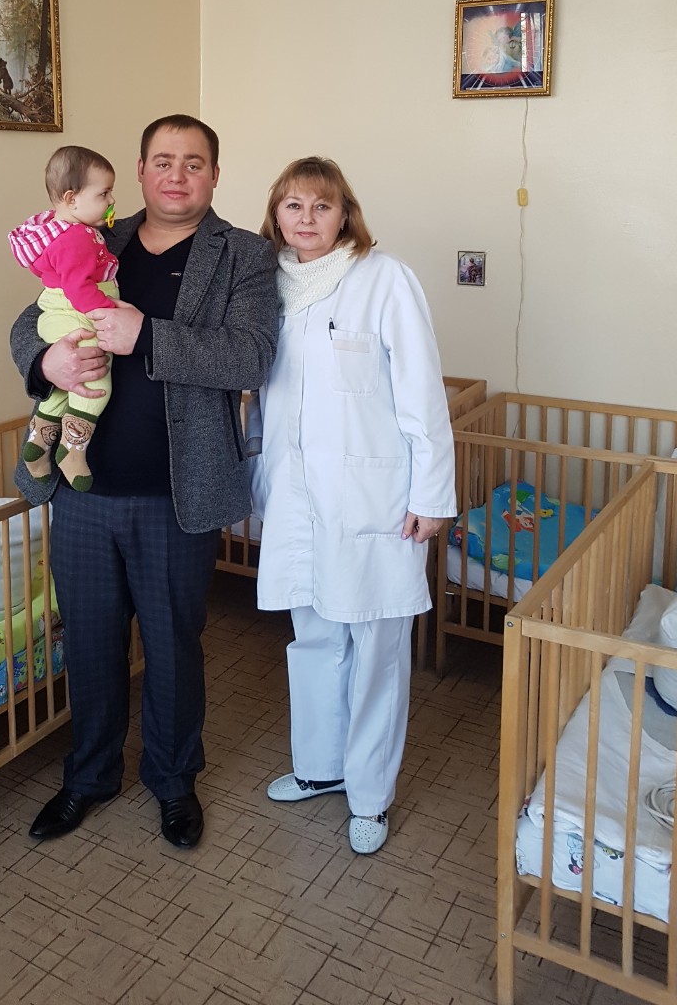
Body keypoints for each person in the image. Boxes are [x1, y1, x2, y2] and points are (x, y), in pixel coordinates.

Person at [10, 114, 278, 850]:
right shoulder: (97, 233)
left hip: (174, 495)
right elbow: (30, 321)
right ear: (139, 171)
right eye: (163, 161)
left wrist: (147, 336)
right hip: (83, 493)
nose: (177, 175)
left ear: (214, 175)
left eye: (193, 163)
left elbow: (251, 356)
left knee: (172, 648)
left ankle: (173, 779)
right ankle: (89, 776)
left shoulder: (244, 255)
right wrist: (45, 362)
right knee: (90, 645)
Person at [247, 157, 455, 855]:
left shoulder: (384, 278)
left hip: (377, 500)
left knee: (376, 651)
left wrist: (432, 493)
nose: (306, 218)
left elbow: (422, 391)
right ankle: (319, 768)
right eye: (293, 205)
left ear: (345, 215)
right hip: (297, 496)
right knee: (312, 637)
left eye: (322, 206)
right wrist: (256, 476)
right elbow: (263, 395)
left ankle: (369, 795)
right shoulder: (268, 287)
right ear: (276, 214)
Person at [8, 146, 118, 491]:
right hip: (75, 317)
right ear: (72, 199)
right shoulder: (76, 239)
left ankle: (38, 443)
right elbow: (79, 290)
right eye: (104, 194)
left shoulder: (61, 231)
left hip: (61, 314)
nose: (112, 200)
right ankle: (72, 450)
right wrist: (113, 314)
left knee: (64, 389)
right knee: (95, 384)